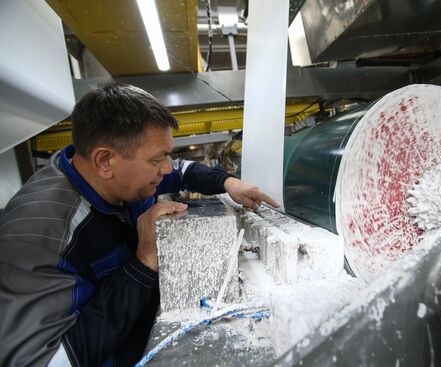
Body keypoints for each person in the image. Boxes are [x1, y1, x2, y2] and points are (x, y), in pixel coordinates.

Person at [0, 83, 278, 366]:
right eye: (157, 159)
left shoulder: (112, 172)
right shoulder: (39, 239)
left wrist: (226, 182)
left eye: (166, 154)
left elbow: (180, 171)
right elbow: (45, 361)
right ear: (105, 160)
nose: (167, 168)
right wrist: (143, 263)